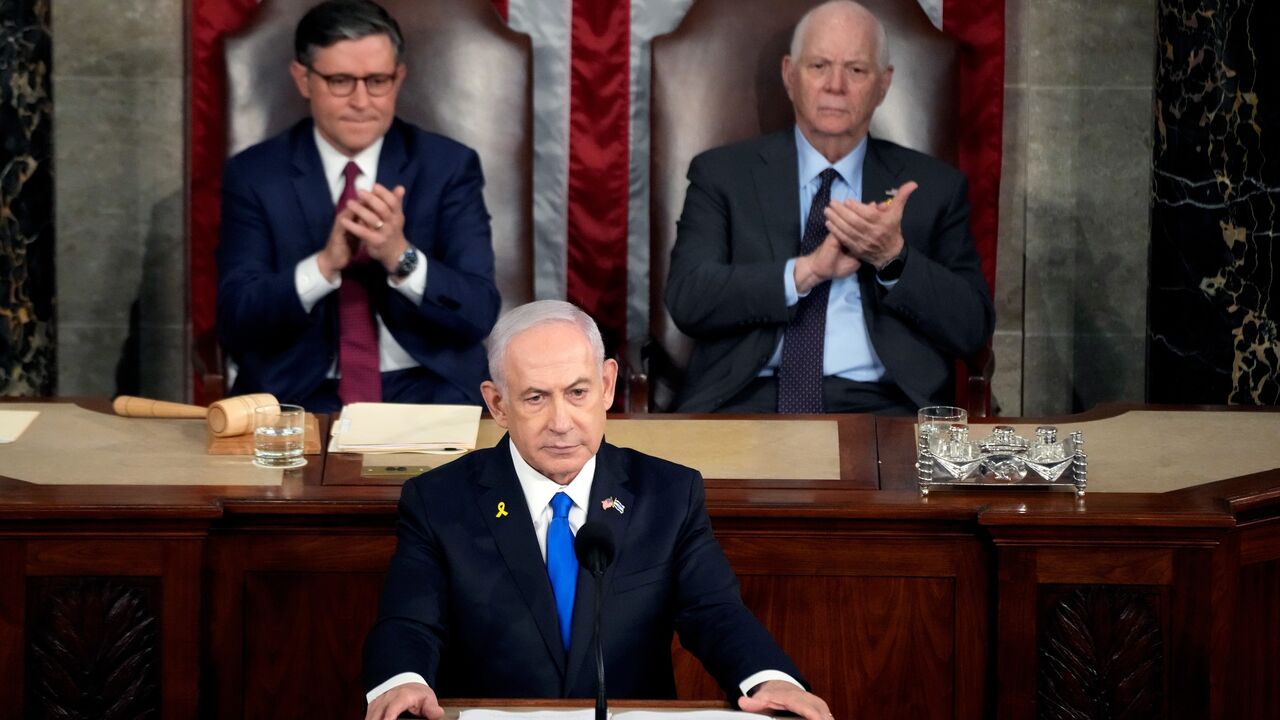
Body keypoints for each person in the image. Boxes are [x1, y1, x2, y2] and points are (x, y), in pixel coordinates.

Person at [362, 300, 832, 720]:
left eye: (578, 392)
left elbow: (714, 613)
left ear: (607, 386)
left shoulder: (667, 493)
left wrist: (770, 678)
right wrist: (403, 681)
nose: (562, 422)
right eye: (535, 398)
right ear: (498, 404)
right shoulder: (439, 501)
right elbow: (410, 622)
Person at [665, 0, 994, 415]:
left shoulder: (934, 187)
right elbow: (688, 299)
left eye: (856, 70)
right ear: (789, 74)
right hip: (745, 400)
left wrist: (893, 259)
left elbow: (971, 329)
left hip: (883, 410)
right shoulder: (723, 175)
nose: (835, 85)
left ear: (883, 84)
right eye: (819, 66)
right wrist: (805, 273)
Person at [216, 0, 499, 413]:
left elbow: (478, 312)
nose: (361, 100)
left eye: (377, 80)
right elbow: (236, 320)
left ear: (398, 78)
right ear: (303, 79)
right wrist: (324, 266)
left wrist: (399, 256)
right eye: (341, 81)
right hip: (297, 396)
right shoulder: (255, 175)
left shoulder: (448, 167)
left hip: (428, 388)